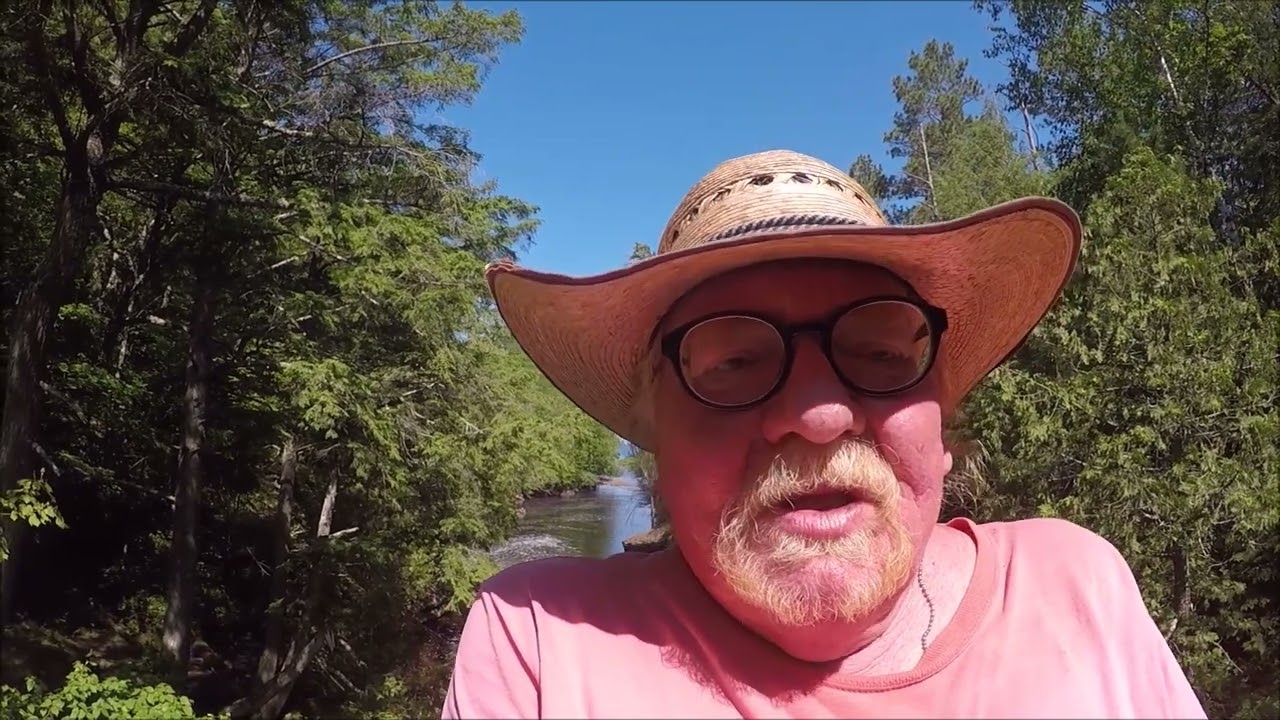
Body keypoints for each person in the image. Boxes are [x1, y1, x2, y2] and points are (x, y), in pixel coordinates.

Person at [441, 150, 1206, 719]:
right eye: (733, 362)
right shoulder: (539, 639)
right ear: (654, 432)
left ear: (942, 418)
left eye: (878, 352)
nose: (818, 416)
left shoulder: (1074, 585)